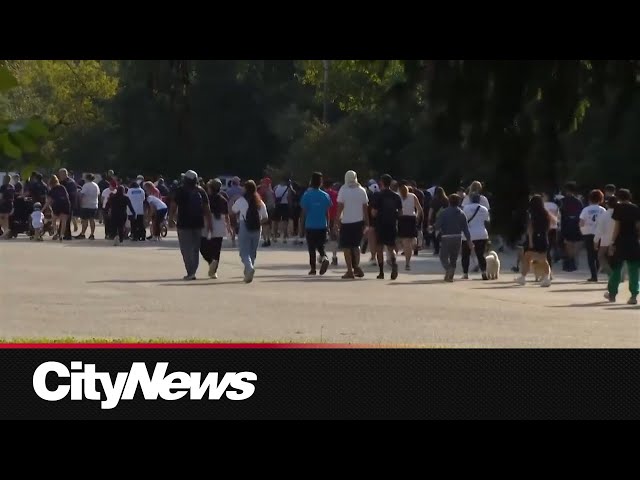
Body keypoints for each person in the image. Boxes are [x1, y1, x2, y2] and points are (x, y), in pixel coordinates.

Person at [170, 170, 212, 280]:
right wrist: (210, 223)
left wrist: (170, 219)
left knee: (186, 249)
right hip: (198, 223)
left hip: (183, 224)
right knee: (195, 249)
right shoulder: (202, 191)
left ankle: (190, 271)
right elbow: (207, 209)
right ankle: (193, 270)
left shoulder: (180, 190)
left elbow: (173, 205)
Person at [606, 189, 640, 304]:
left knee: (616, 269)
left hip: (621, 241)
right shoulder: (636, 208)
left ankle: (612, 294)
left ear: (619, 198)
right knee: (633, 269)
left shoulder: (618, 208)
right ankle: (634, 295)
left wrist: (612, 242)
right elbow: (638, 226)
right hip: (633, 241)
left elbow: (617, 227)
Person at [232, 180, 269, 283]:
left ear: (246, 189)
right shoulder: (259, 202)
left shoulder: (241, 200)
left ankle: (249, 268)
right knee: (252, 251)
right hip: (257, 227)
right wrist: (258, 223)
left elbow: (233, 210)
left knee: (244, 251)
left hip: (244, 225)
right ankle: (248, 271)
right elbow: (265, 217)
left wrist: (235, 224)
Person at [337, 170, 369, 279]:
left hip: (346, 222)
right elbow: (365, 208)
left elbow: (340, 207)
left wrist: (336, 222)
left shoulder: (343, 190)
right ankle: (357, 267)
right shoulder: (362, 190)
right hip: (359, 223)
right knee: (356, 246)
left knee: (346, 247)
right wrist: (367, 223)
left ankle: (349, 270)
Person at [515, 195, 553, 287]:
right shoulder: (546, 213)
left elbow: (530, 229)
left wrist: (531, 241)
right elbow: (552, 224)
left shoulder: (531, 214)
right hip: (544, 237)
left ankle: (523, 277)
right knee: (543, 259)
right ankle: (546, 278)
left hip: (535, 238)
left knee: (527, 258)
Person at [434, 193, 473, 282]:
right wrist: (469, 240)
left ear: (449, 201)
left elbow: (438, 225)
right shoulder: (462, 213)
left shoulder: (444, 212)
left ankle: (448, 269)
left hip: (446, 237)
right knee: (453, 257)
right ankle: (450, 276)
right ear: (459, 202)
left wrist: (433, 227)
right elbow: (465, 228)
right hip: (458, 237)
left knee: (443, 256)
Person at [370, 174, 403, 280]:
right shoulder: (396, 196)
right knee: (391, 247)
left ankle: (381, 272)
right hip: (392, 224)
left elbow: (374, 212)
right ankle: (394, 264)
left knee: (379, 248)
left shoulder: (378, 195)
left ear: (381, 182)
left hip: (380, 224)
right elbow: (401, 213)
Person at [300, 172, 332, 276]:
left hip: (310, 225)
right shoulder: (325, 195)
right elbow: (327, 212)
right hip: (322, 224)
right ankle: (324, 257)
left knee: (311, 248)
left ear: (311, 182)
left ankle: (313, 268)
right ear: (321, 182)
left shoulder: (307, 195)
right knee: (320, 246)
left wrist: (301, 227)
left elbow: (304, 212)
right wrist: (328, 225)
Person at [201, 179, 230, 279]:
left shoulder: (206, 198)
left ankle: (210, 261)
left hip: (206, 223)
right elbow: (226, 215)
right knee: (216, 250)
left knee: (203, 246)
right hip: (220, 224)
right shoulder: (223, 199)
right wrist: (229, 226)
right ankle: (214, 271)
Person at [461, 193, 491, 280]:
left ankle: (465, 273)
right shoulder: (484, 209)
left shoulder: (466, 208)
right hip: (482, 234)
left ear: (470, 200)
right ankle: (484, 272)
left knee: (465, 255)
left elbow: (463, 220)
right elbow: (487, 222)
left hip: (468, 234)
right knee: (480, 254)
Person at [579, 189, 606, 282]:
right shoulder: (602, 210)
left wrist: (582, 230)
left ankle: (593, 275)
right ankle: (597, 270)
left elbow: (581, 222)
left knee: (590, 255)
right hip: (599, 234)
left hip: (588, 233)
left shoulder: (586, 209)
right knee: (598, 254)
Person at [397, 182, 423, 271]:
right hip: (411, 219)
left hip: (402, 219)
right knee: (411, 238)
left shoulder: (397, 196)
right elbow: (419, 209)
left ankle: (407, 263)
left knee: (405, 243)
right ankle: (414, 241)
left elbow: (396, 210)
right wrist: (417, 216)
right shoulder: (413, 196)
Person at [559, 181, 584, 272]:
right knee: (574, 245)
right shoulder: (578, 202)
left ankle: (568, 262)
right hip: (575, 225)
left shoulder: (562, 201)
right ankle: (573, 262)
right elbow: (581, 214)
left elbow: (560, 213)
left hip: (565, 225)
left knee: (567, 244)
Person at [594, 195, 618, 285]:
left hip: (605, 240)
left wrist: (596, 241)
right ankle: (617, 276)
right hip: (617, 240)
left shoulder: (604, 215)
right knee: (616, 260)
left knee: (601, 257)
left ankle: (610, 274)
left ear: (607, 205)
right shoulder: (620, 214)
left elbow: (599, 230)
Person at [45, 175, 71, 242]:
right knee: (63, 221)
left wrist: (42, 209)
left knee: (54, 219)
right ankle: (61, 235)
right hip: (66, 204)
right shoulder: (62, 187)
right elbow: (67, 196)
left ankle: (56, 232)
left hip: (57, 205)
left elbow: (48, 201)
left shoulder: (52, 190)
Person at [75, 173, 100, 240]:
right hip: (94, 204)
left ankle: (83, 233)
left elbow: (82, 194)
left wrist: (79, 203)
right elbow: (98, 194)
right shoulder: (96, 185)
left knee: (85, 220)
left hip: (86, 205)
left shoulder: (86, 185)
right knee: (92, 220)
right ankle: (92, 234)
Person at [322, 179, 340, 266]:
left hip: (323, 218)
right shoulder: (336, 194)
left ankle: (323, 256)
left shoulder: (322, 194)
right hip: (334, 217)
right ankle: (334, 257)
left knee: (322, 239)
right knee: (334, 239)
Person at [428, 187, 448, 255]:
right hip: (444, 219)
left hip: (435, 219)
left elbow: (431, 210)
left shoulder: (434, 200)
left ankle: (436, 249)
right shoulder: (446, 200)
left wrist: (429, 218)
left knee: (434, 235)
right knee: (444, 234)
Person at [273, 178, 293, 244]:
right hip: (285, 205)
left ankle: (275, 236)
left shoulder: (276, 187)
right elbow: (289, 198)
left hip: (277, 205)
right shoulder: (288, 189)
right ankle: (284, 237)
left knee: (275, 221)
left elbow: (274, 197)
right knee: (285, 222)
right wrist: (290, 206)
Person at [543, 192, 561, 265]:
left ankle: (547, 261)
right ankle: (556, 255)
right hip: (554, 227)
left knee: (546, 247)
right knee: (553, 243)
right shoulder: (555, 205)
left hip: (545, 227)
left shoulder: (543, 205)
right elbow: (558, 217)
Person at [226, 177, 243, 248]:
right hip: (240, 209)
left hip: (231, 209)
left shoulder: (228, 191)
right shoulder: (241, 190)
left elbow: (227, 200)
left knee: (232, 224)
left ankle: (233, 239)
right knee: (240, 223)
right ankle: (240, 239)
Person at [258, 177, 276, 247]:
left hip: (264, 209)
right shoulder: (271, 191)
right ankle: (268, 239)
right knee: (268, 226)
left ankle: (265, 240)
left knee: (264, 225)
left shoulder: (262, 190)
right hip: (271, 209)